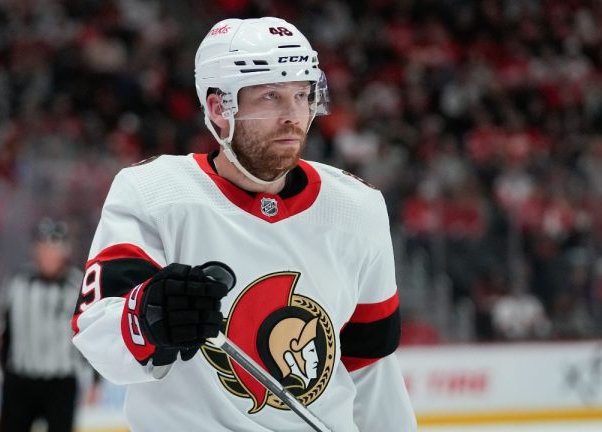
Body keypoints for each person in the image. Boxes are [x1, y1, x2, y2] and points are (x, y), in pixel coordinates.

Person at [71, 17, 416, 431]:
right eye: (271, 96)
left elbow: (370, 366)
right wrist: (149, 314)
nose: (294, 115)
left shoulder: (358, 207)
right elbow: (96, 334)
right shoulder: (152, 193)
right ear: (219, 108)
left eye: (302, 95)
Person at [0, 219, 87, 432]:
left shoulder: (78, 285)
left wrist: (95, 380)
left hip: (61, 380)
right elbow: (6, 330)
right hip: (20, 379)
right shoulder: (17, 282)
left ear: (65, 251)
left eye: (53, 248)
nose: (48, 254)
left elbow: (90, 332)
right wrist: (2, 368)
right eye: (43, 247)